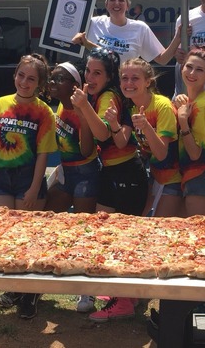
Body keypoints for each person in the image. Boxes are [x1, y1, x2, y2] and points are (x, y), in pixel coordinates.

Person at [70, 48, 148, 322]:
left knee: (119, 239)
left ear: (109, 76)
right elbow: (87, 146)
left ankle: (124, 301)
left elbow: (104, 133)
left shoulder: (105, 96)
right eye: (88, 71)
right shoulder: (95, 96)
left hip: (126, 174)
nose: (90, 77)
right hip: (114, 174)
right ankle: (125, 294)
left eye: (97, 72)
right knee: (107, 236)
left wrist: (83, 107)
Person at [0, 53, 56, 320]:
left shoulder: (44, 111)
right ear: (15, 75)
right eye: (21, 75)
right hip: (2, 176)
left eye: (31, 79)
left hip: (28, 177)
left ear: (40, 83)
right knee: (4, 236)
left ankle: (30, 294)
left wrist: (35, 187)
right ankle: (14, 288)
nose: (24, 82)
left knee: (29, 238)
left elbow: (43, 154)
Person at [45, 60, 101, 314]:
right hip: (66, 171)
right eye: (52, 78)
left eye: (59, 79)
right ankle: (34, 286)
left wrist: (83, 116)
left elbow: (87, 150)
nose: (53, 83)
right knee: (44, 218)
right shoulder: (58, 105)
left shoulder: (82, 109)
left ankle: (86, 292)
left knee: (84, 232)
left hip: (86, 173)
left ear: (75, 86)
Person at [118, 58, 182, 218]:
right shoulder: (132, 108)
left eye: (135, 78)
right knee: (139, 223)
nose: (129, 83)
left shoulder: (163, 106)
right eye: (124, 78)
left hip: (174, 179)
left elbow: (161, 154)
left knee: (159, 232)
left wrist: (146, 127)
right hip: (154, 177)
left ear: (148, 82)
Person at [62, 0, 176, 65]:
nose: (117, 3)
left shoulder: (140, 28)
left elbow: (162, 59)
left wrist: (179, 36)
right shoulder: (93, 23)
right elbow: (65, 19)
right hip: (96, 89)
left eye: (121, 0)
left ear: (128, 6)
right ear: (106, 4)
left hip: (126, 88)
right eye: (112, 0)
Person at [174, 46, 205, 216]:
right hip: (191, 175)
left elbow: (195, 153)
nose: (192, 73)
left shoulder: (201, 105)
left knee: (197, 234)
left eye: (199, 70)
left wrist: (183, 122)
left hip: (201, 175)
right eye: (189, 67)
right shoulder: (192, 100)